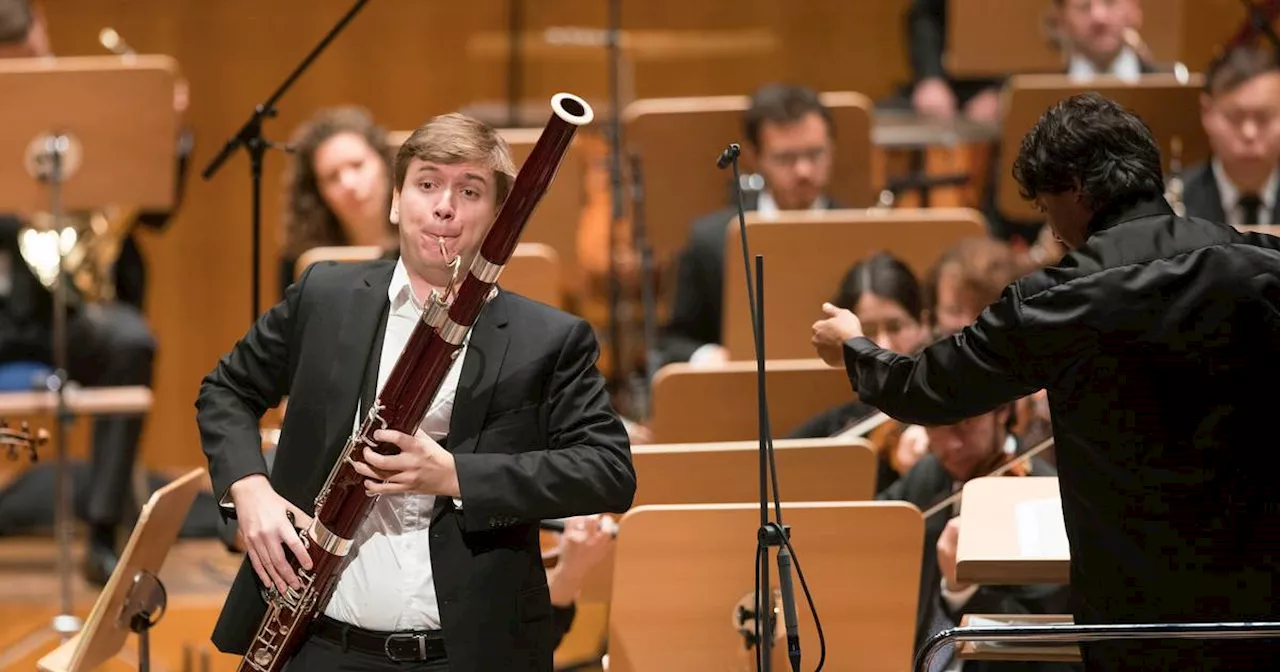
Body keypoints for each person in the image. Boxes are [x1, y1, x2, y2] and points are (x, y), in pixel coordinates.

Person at [812, 92, 1280, 671]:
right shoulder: (1260, 266)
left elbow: (927, 389)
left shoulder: (1054, 303)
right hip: (1262, 620)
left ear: (1077, 191)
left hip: (1133, 633)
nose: (1055, 232)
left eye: (1048, 208)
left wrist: (854, 348)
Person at [197, 111, 636, 671]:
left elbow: (608, 471)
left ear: (501, 215)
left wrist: (453, 476)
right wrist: (249, 489)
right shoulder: (324, 297)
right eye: (427, 184)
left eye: (469, 190)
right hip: (323, 644)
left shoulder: (549, 338)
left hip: (471, 655)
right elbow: (226, 389)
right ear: (396, 200)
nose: (444, 206)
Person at [0, 0, 187, 585]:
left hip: (76, 302)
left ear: (43, 32)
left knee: (129, 341)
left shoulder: (89, 107)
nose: (27, 75)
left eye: (31, 57)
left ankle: (103, 530)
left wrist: (169, 134)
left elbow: (151, 213)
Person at [876, 400, 1074, 672]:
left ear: (1003, 410)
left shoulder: (1042, 499)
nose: (950, 445)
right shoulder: (929, 472)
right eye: (935, 427)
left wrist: (964, 592)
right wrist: (888, 464)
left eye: (965, 424)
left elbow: (1040, 641)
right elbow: (871, 534)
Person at [659, 83, 840, 367]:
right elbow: (673, 343)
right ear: (755, 158)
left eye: (815, 154)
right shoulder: (712, 240)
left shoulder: (860, 229)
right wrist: (717, 358)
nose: (803, 171)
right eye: (785, 158)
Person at [788, 252, 928, 492]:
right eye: (867, 331)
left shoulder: (943, 412)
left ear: (923, 325)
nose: (884, 345)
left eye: (896, 327)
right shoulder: (840, 425)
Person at [278, 106, 397, 299]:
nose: (349, 184)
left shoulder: (428, 242)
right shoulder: (303, 262)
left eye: (358, 165)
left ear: (385, 163)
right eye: (332, 177)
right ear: (318, 194)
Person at [1183, 45, 1280, 227]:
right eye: (1235, 117)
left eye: (1264, 117)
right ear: (1207, 113)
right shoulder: (1170, 204)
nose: (1249, 133)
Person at [1049, 0, 1155, 82]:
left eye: (1110, 2)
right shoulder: (1041, 96)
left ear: (1133, 9)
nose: (1099, 17)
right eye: (1083, 6)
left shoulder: (1169, 89)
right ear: (1062, 18)